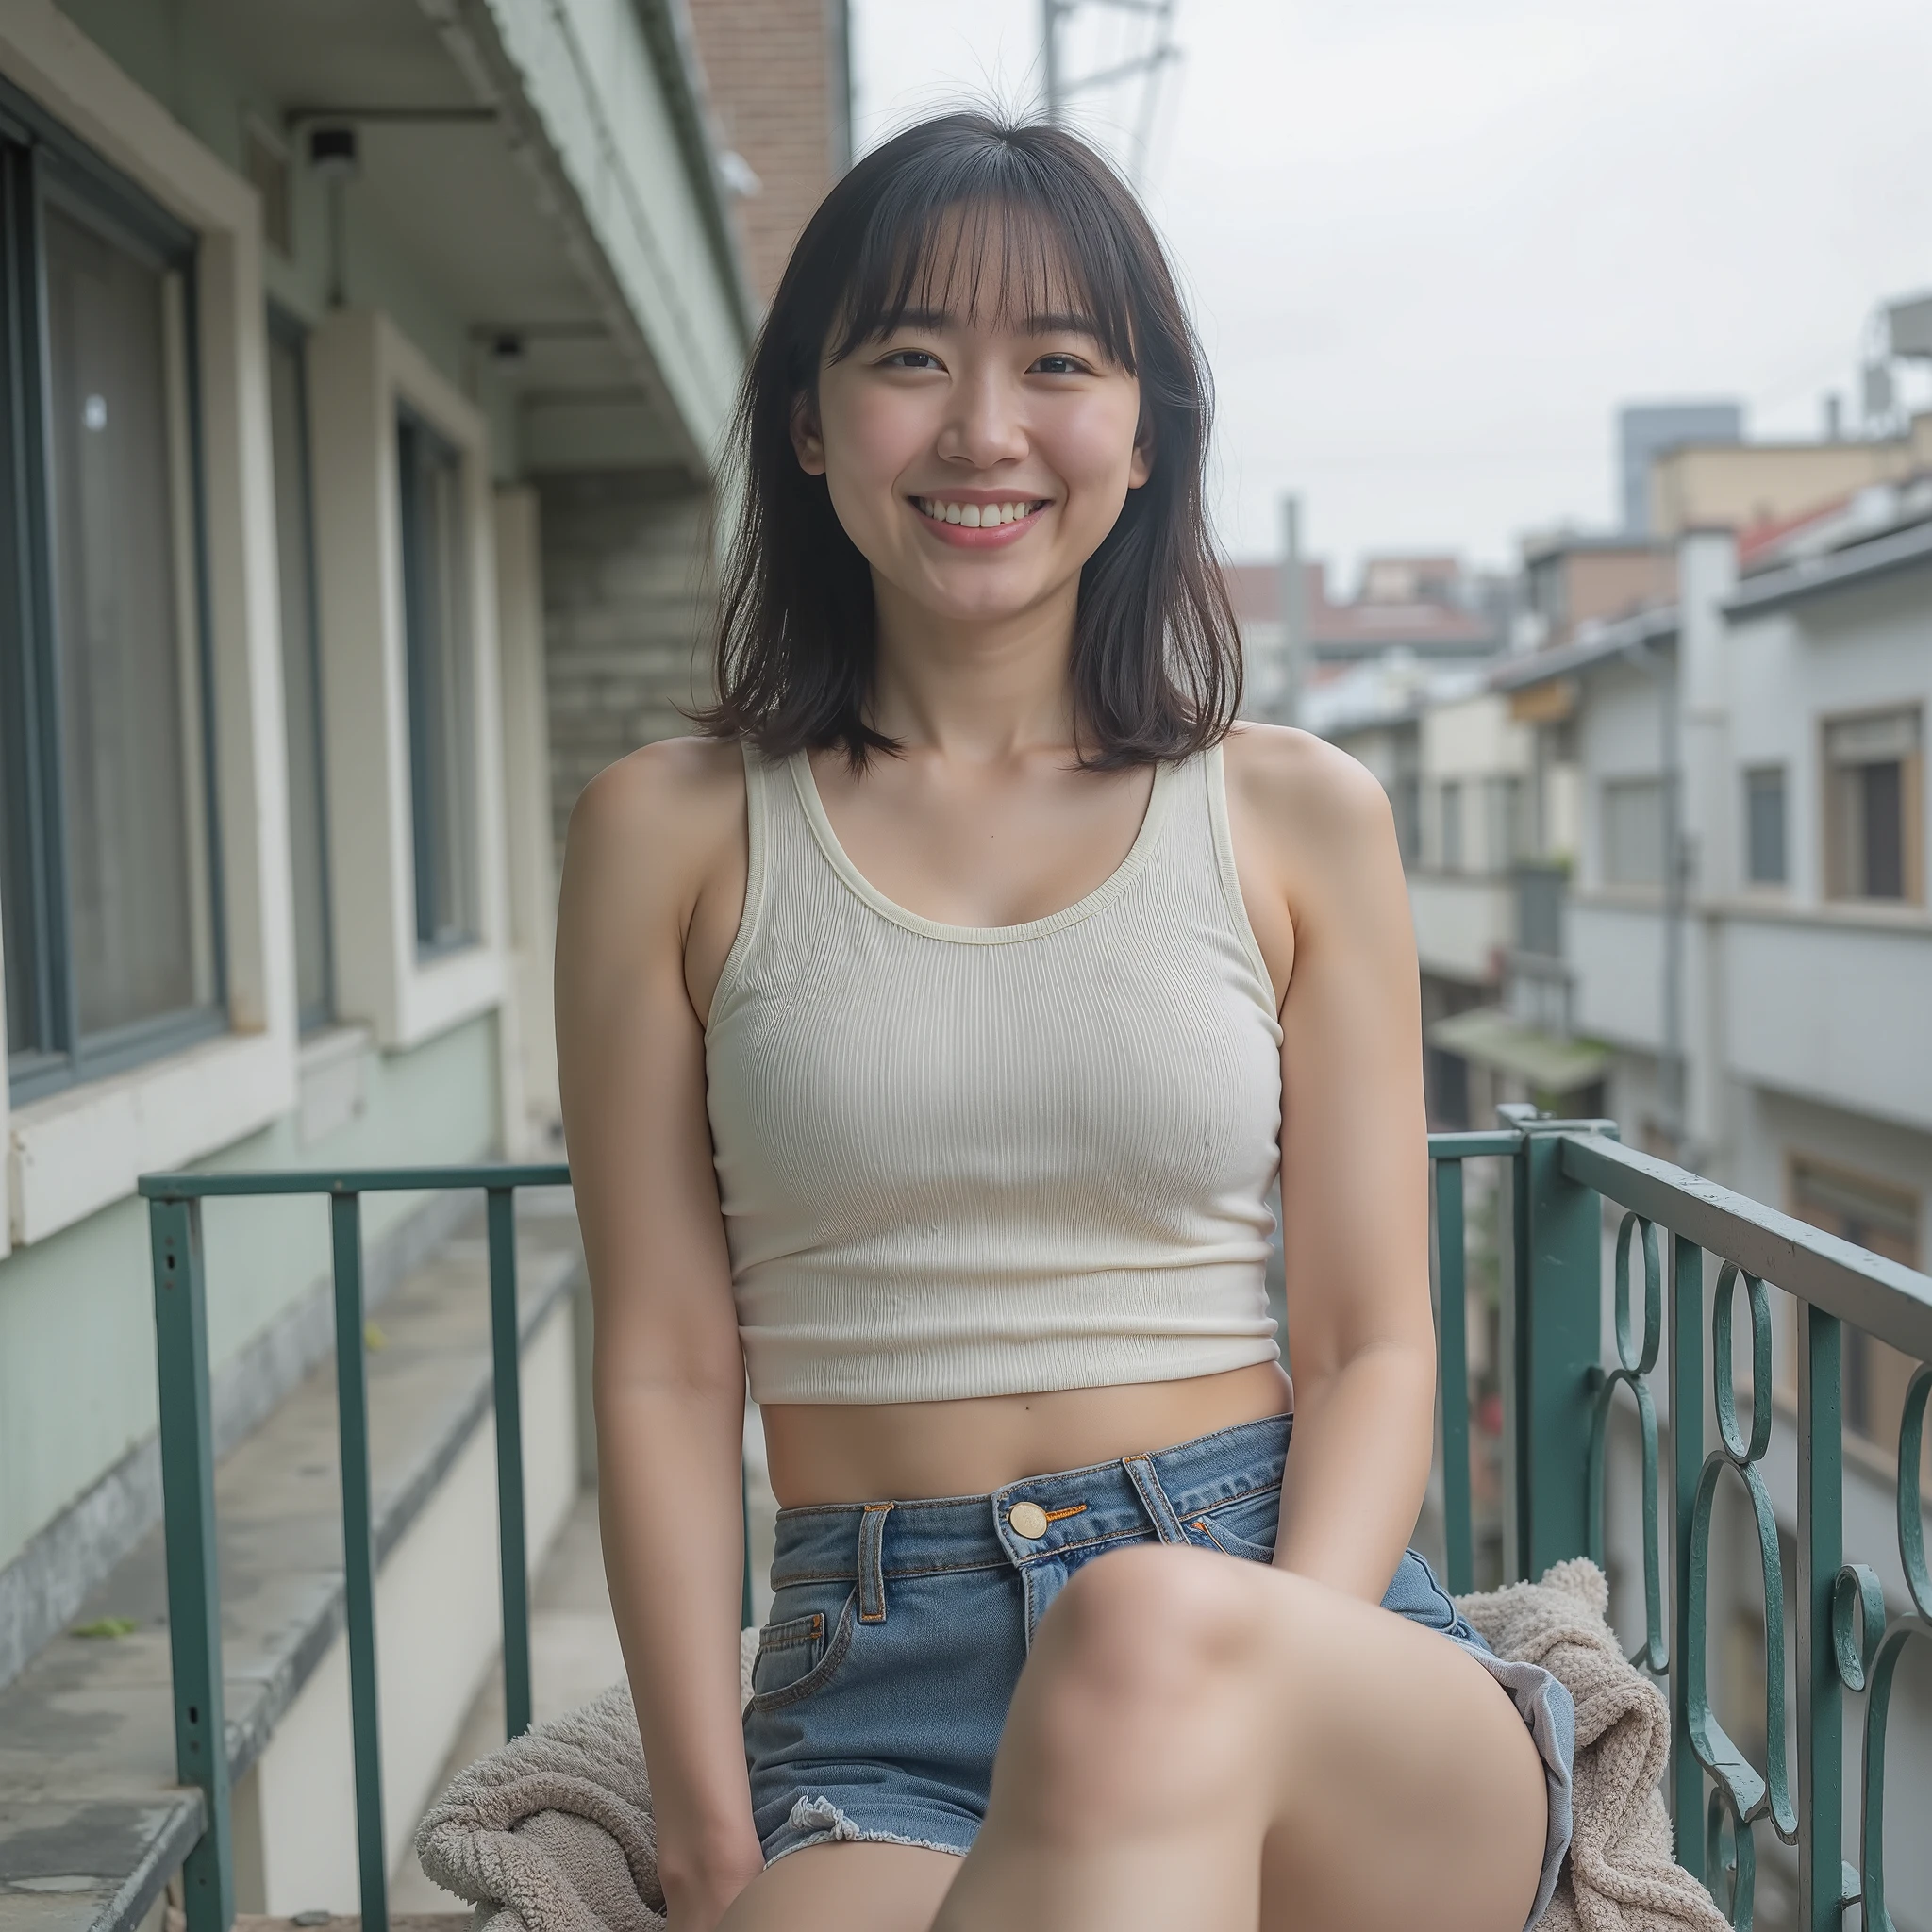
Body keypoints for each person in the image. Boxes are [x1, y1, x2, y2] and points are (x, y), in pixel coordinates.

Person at [554, 111, 1574, 1932]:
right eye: (910, 360)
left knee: (1147, 1630)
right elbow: (664, 1365)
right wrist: (710, 1836)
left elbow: (1367, 1347)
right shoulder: (669, 831)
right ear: (808, 421)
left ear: (1143, 430)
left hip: (1284, 1628)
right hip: (879, 1693)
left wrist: (1255, 1680)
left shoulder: (1299, 813)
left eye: (1059, 365)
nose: (982, 431)